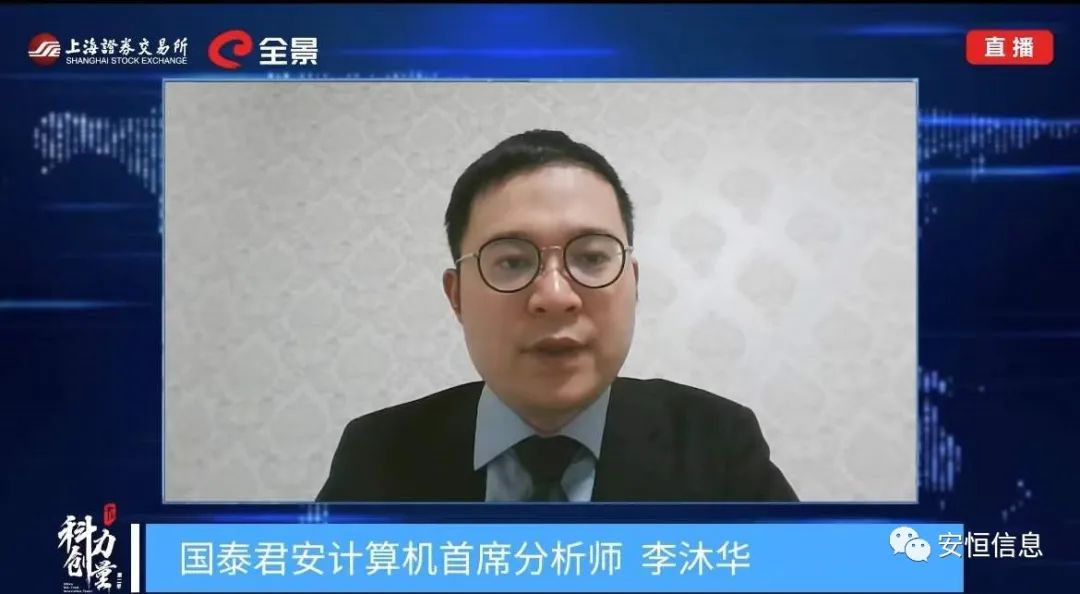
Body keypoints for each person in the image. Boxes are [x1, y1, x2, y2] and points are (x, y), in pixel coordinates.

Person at [317, 129, 798, 502]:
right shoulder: (377, 454)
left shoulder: (716, 442)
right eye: (511, 262)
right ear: (457, 295)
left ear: (632, 283)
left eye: (591, 257)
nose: (554, 296)